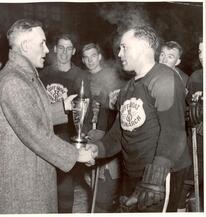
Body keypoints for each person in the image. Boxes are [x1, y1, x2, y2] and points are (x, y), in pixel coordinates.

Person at [0, 19, 94, 214]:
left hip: (29, 176)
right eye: (42, 43)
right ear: (26, 46)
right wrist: (76, 154)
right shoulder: (13, 81)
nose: (47, 50)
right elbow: (35, 133)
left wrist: (63, 107)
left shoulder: (23, 75)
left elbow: (30, 115)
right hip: (22, 186)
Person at [86, 25, 191, 212]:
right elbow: (119, 134)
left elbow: (174, 133)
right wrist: (98, 148)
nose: (119, 54)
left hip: (159, 178)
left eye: (124, 47)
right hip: (132, 175)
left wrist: (154, 179)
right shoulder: (128, 88)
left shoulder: (163, 79)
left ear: (143, 47)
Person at [39, 33, 91, 213]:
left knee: (65, 186)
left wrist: (83, 136)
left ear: (74, 51)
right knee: (43, 185)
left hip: (68, 136)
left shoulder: (81, 75)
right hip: (45, 134)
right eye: (61, 47)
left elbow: (86, 110)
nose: (64, 52)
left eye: (69, 48)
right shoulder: (43, 73)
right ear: (54, 49)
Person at [81, 42, 126, 212]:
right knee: (92, 184)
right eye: (86, 57)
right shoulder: (83, 77)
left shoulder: (111, 76)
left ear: (99, 56)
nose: (90, 60)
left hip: (107, 138)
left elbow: (118, 106)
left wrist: (103, 97)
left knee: (105, 190)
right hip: (88, 136)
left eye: (93, 56)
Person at [185, 36, 203, 211]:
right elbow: (187, 111)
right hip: (198, 144)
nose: (202, 56)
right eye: (200, 51)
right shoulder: (196, 77)